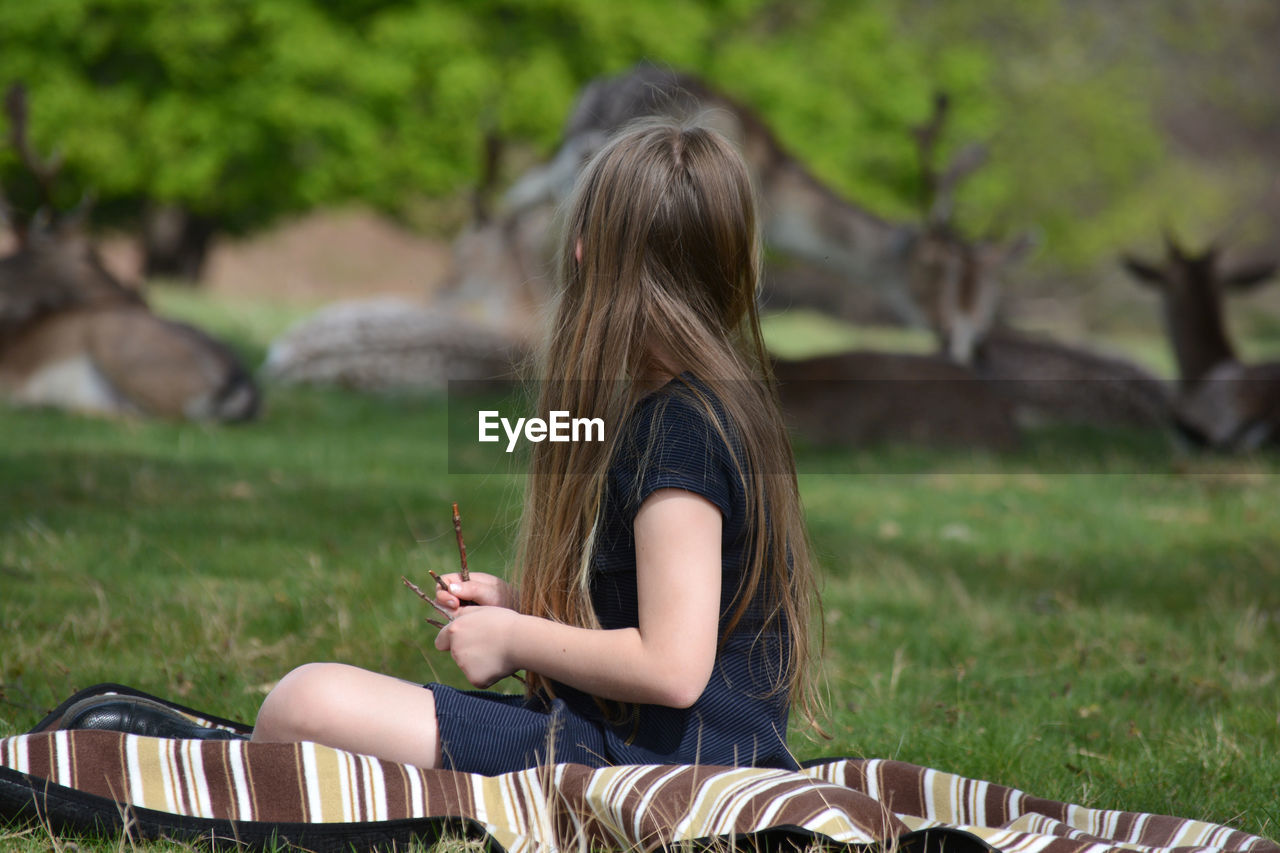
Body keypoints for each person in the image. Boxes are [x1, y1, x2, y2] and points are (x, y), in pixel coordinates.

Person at [247, 120, 821, 773]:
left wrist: (518, 638)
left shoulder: (678, 434)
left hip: (656, 769)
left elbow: (673, 668)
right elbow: (665, 609)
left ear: (585, 255)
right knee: (308, 705)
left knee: (306, 701)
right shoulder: (693, 410)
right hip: (644, 743)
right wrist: (520, 604)